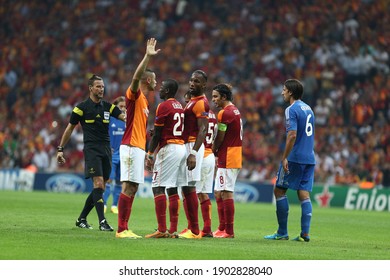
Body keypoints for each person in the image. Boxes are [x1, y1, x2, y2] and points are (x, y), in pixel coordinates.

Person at [57, 74, 125, 231]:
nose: (102, 89)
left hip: (107, 150)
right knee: (99, 183)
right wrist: (60, 149)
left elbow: (123, 117)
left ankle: (81, 219)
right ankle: (103, 222)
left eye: (102, 86)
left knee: (99, 188)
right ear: (90, 88)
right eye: (98, 86)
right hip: (91, 149)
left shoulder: (108, 107)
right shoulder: (81, 108)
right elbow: (69, 128)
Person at [116, 38, 160, 239]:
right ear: (149, 80)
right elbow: (135, 78)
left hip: (138, 147)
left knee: (131, 186)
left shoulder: (145, 103)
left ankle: (124, 227)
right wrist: (147, 56)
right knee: (129, 186)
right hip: (131, 146)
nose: (157, 83)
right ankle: (121, 229)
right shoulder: (134, 96)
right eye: (155, 80)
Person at [264, 79, 315, 242]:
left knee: (279, 190)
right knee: (304, 193)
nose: (282, 92)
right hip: (310, 157)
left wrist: (285, 156)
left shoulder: (291, 109)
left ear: (291, 92)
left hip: (295, 157)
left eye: (284, 90)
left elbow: (292, 134)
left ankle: (282, 232)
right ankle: (305, 233)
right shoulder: (309, 109)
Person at [144, 78, 187, 238]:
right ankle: (172, 230)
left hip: (169, 148)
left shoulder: (164, 106)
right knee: (172, 187)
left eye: (162, 87)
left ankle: (162, 230)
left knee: (157, 186)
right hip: (180, 147)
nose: (159, 90)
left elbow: (158, 134)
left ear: (168, 91)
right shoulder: (179, 106)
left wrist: (149, 154)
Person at [178, 70, 210, 239]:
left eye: (197, 81)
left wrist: (194, 153)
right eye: (191, 80)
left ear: (204, 85)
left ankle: (195, 230)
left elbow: (203, 129)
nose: (192, 83)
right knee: (185, 187)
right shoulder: (191, 101)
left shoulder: (201, 103)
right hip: (186, 145)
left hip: (193, 146)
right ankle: (191, 227)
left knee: (190, 187)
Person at [211, 83, 243, 238]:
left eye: (216, 96)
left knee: (226, 192)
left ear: (224, 97)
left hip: (229, 155)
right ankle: (222, 227)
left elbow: (220, 136)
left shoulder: (225, 113)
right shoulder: (234, 110)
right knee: (218, 191)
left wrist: (213, 150)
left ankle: (229, 231)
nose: (213, 100)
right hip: (230, 154)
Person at [183, 91, 217, 238]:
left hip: (199, 154)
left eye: (187, 101)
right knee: (203, 194)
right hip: (209, 154)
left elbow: (199, 131)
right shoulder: (213, 115)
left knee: (189, 192)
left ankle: (191, 227)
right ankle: (207, 228)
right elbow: (215, 135)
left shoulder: (196, 110)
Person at [103, 96, 126, 214]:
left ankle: (114, 205)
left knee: (119, 181)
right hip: (111, 154)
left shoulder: (127, 121)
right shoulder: (110, 119)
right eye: (120, 106)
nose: (122, 109)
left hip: (124, 154)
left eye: (124, 107)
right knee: (109, 180)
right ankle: (104, 204)